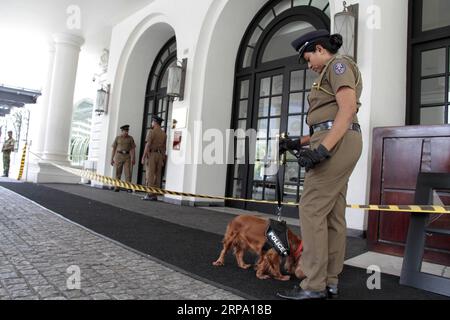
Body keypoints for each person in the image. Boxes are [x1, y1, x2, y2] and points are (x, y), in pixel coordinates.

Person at [277, 30, 363, 300]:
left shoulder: (338, 66)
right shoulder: (327, 74)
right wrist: (299, 141)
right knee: (332, 215)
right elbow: (327, 120)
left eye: (307, 58)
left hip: (335, 143)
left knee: (311, 208)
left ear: (319, 49)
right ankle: (329, 282)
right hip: (338, 139)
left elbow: (347, 110)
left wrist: (323, 150)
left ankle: (313, 283)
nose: (308, 64)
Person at [141, 115, 167, 201]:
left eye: (152, 121)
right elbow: (164, 147)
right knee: (157, 175)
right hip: (159, 156)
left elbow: (147, 145)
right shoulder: (164, 134)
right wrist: (163, 159)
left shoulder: (151, 132)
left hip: (152, 155)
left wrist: (143, 157)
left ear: (155, 122)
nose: (151, 123)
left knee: (150, 174)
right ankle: (155, 194)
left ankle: (149, 194)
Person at [111, 125, 136, 192]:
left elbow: (133, 149)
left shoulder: (130, 138)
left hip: (127, 157)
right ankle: (117, 187)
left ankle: (128, 187)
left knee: (128, 173)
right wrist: (112, 158)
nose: (126, 132)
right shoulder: (117, 138)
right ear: (122, 131)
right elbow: (114, 148)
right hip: (118, 156)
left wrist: (133, 158)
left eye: (127, 131)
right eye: (125, 131)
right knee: (118, 172)